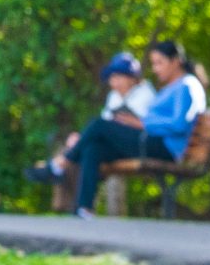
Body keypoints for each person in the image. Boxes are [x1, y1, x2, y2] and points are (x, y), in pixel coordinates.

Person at [55, 39, 207, 217]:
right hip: (150, 142)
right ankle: (83, 209)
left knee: (99, 125)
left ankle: (64, 161)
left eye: (160, 63)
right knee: (93, 149)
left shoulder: (187, 85)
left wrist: (143, 123)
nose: (156, 68)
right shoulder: (169, 88)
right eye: (153, 63)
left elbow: (180, 124)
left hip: (165, 147)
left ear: (176, 61)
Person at [27, 52, 156, 188]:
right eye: (112, 78)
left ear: (132, 78)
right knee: (89, 147)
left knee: (93, 130)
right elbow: (105, 125)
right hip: (112, 145)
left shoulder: (146, 93)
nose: (114, 82)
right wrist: (82, 138)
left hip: (138, 146)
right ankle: (82, 207)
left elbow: (138, 125)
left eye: (119, 76)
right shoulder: (114, 96)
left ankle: (59, 165)